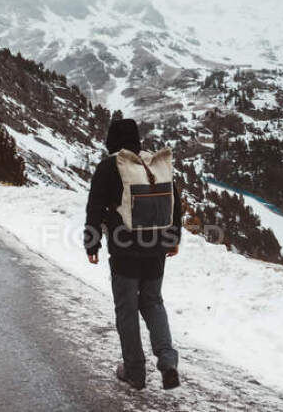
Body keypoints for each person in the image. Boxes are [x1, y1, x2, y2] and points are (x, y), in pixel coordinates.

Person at [84, 119, 182, 391]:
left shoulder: (110, 166)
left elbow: (95, 207)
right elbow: (175, 203)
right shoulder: (150, 164)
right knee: (153, 301)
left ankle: (135, 372)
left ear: (112, 140)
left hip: (124, 249)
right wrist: (173, 239)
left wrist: (92, 244)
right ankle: (167, 360)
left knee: (127, 309)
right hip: (156, 247)